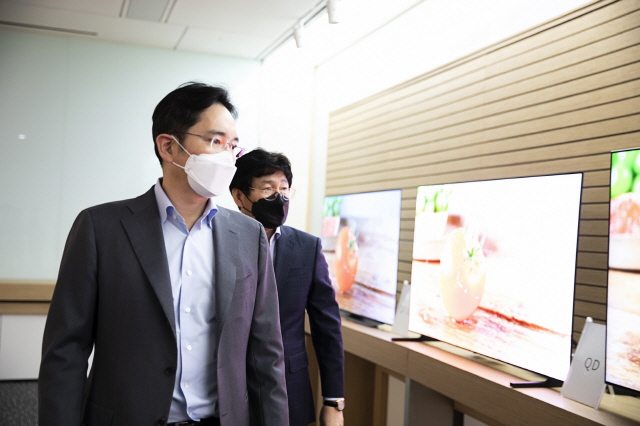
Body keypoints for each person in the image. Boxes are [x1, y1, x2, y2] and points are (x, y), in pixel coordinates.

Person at [38, 83, 289, 426]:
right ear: (168, 146)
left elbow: (266, 352)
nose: (228, 157)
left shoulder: (248, 235)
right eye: (215, 141)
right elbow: (65, 351)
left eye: (233, 145)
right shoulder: (101, 228)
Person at [229, 149, 345, 426]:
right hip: (228, 386)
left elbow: (327, 328)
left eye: (284, 189)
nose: (279, 197)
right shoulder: (217, 242)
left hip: (289, 385)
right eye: (267, 189)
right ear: (239, 196)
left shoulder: (307, 247)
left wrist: (334, 401)